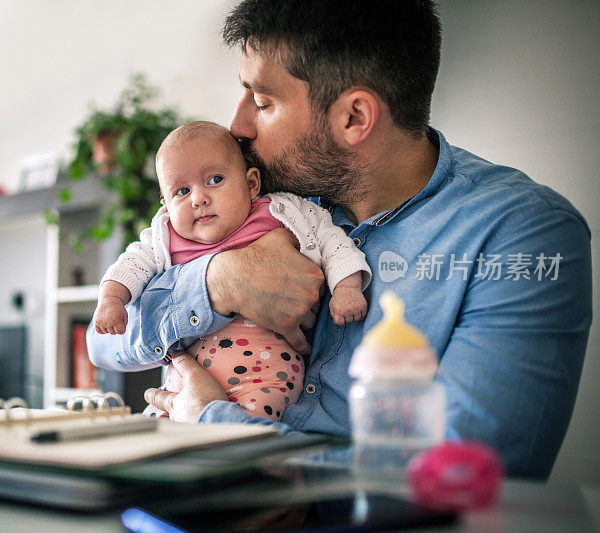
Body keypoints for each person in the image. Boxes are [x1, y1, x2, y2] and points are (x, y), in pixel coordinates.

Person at [87, 0, 591, 479]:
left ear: (353, 117)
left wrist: (215, 421)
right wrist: (218, 283)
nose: (238, 126)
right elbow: (104, 345)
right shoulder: (270, 203)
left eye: (262, 102)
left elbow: (463, 479)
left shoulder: (523, 237)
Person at [93, 120, 371, 421]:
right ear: (166, 204)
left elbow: (333, 241)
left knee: (244, 434)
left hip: (267, 379)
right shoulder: (163, 236)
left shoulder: (282, 213)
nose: (198, 199)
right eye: (182, 191)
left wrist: (346, 287)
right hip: (182, 388)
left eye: (214, 180)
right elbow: (130, 264)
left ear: (251, 184)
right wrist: (112, 300)